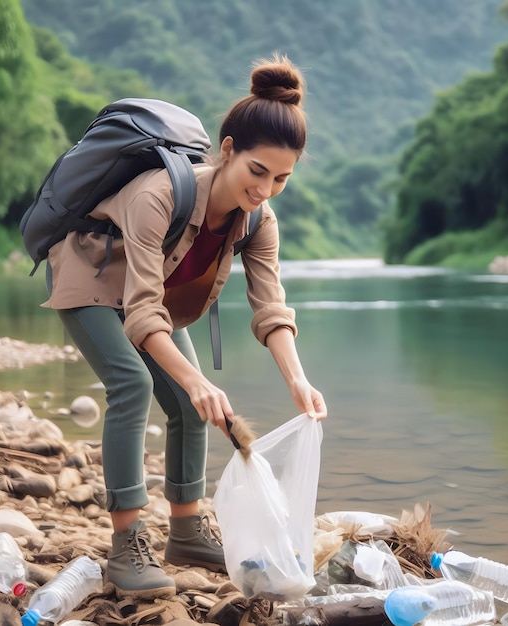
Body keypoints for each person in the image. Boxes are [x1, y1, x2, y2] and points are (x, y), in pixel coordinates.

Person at [42, 53, 327, 599]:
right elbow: (142, 312)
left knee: (190, 406)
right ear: (228, 152)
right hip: (93, 273)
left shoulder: (258, 221)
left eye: (282, 178)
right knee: (136, 385)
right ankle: (127, 542)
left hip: (154, 293)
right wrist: (196, 380)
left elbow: (271, 306)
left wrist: (296, 378)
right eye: (257, 171)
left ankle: (186, 529)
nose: (266, 189)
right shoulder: (160, 195)